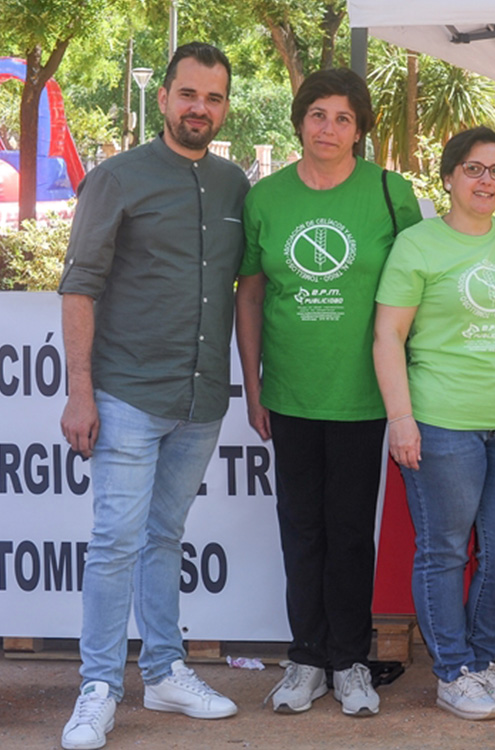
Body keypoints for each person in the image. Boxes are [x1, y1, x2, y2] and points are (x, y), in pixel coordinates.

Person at [56, 43, 248, 750]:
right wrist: (81, 392)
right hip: (128, 392)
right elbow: (79, 286)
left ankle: (164, 671)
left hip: (201, 400)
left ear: (225, 107)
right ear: (162, 98)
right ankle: (99, 685)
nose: (201, 108)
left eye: (215, 97)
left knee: (164, 538)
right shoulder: (116, 178)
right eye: (189, 94)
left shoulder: (234, 186)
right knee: (114, 542)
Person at [235, 68, 421, 717]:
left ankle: (349, 659)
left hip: (364, 393)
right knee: (300, 529)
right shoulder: (267, 199)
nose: (329, 129)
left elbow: (414, 295)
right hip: (289, 392)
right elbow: (251, 293)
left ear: (360, 129)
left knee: (348, 531)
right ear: (299, 120)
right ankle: (306, 656)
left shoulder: (391, 194)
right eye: (318, 114)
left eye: (343, 118)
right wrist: (253, 381)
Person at [374, 127, 495, 721]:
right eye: (474, 169)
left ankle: (479, 662)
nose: (486, 181)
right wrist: (400, 419)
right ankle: (452, 671)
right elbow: (388, 335)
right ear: (449, 176)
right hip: (442, 419)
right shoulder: (418, 245)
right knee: (445, 550)